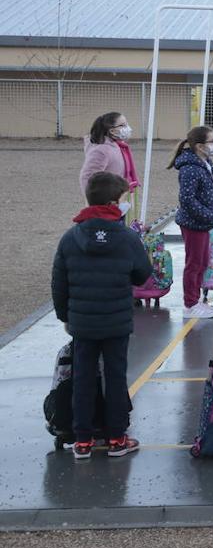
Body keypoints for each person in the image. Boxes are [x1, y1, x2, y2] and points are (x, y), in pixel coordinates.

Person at [52, 171, 152, 461]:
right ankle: (117, 437)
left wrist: (65, 315)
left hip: (82, 322)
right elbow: (142, 275)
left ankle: (82, 440)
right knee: (116, 377)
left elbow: (59, 282)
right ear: (113, 201)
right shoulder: (127, 237)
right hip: (116, 319)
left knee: (82, 377)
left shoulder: (71, 237)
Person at [170, 126, 213, 319]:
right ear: (200, 146)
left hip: (203, 223)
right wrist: (207, 215)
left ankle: (196, 299)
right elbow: (187, 199)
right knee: (194, 263)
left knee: (202, 261)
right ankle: (190, 303)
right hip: (194, 224)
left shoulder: (205, 163)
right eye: (212, 141)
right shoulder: (190, 169)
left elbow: (210, 193)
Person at [79, 112, 140, 205]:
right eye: (123, 125)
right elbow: (87, 177)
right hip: (106, 203)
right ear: (112, 130)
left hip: (118, 198)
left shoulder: (117, 146)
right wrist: (91, 202)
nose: (127, 128)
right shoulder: (101, 150)